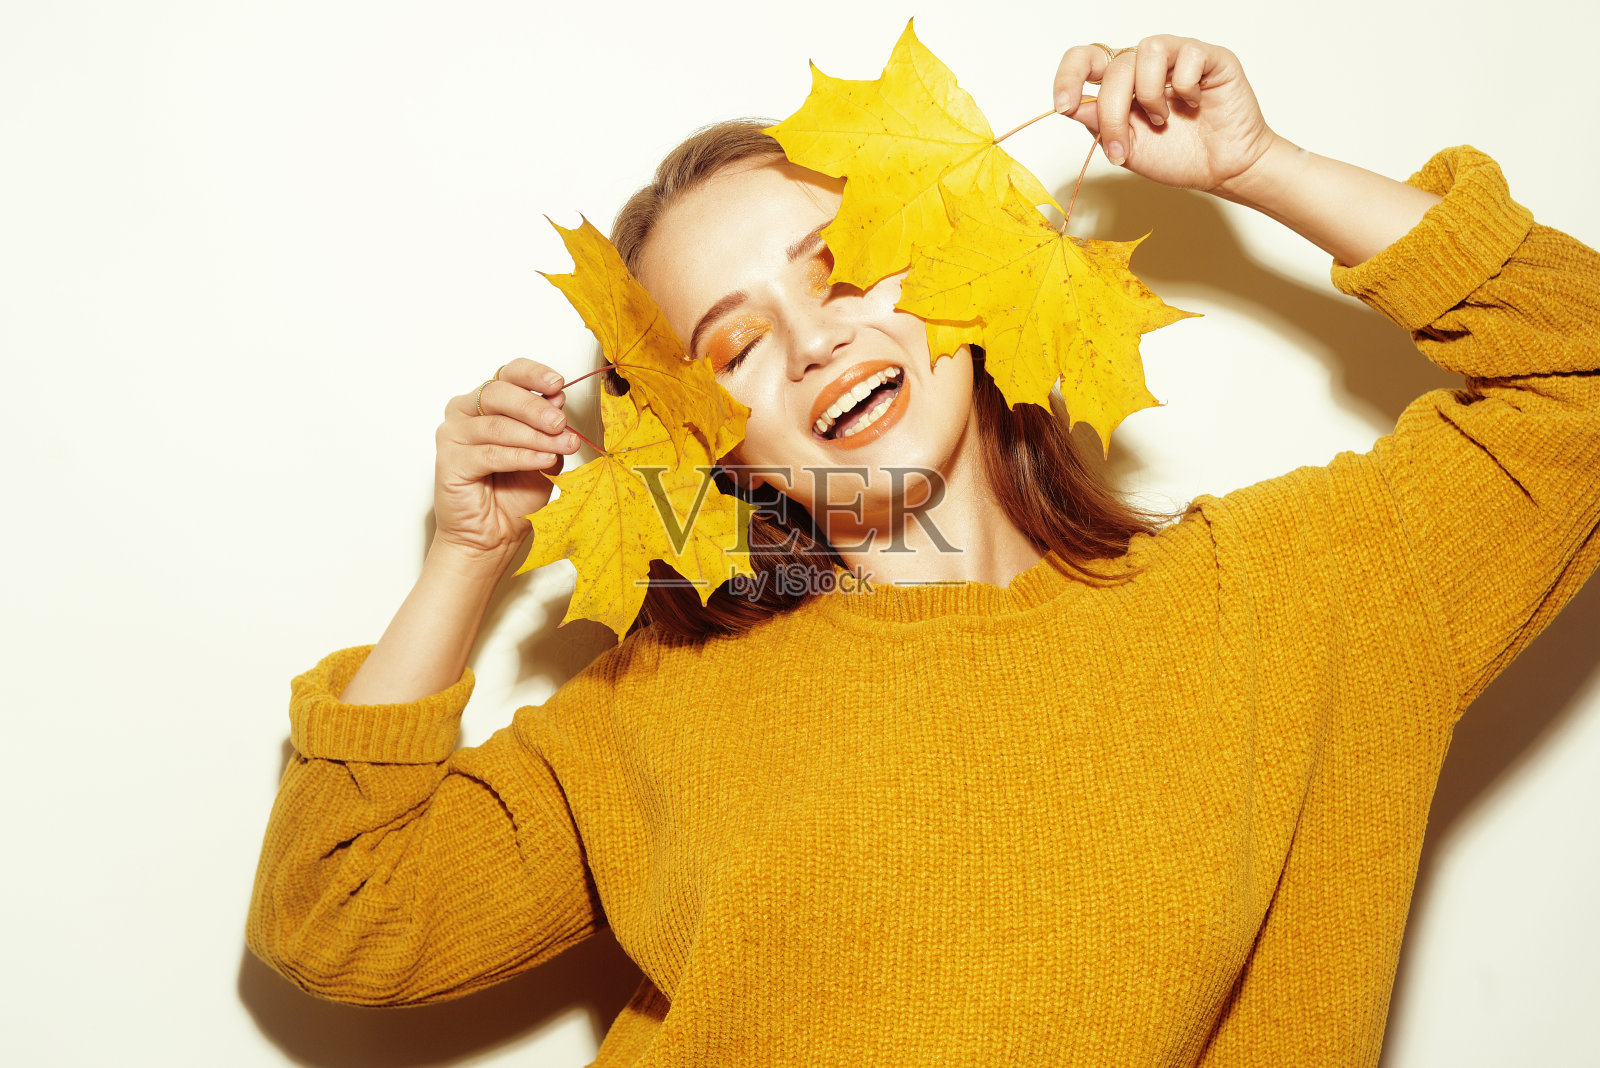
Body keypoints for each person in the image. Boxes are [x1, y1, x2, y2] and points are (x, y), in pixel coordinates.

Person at [247, 35, 1599, 1065]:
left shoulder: (1289, 602)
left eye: (840, 268)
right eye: (735, 344)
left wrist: (1261, 169)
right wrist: (463, 556)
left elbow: (1580, 382)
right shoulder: (654, 709)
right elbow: (339, 912)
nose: (813, 341)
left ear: (960, 262)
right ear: (716, 447)